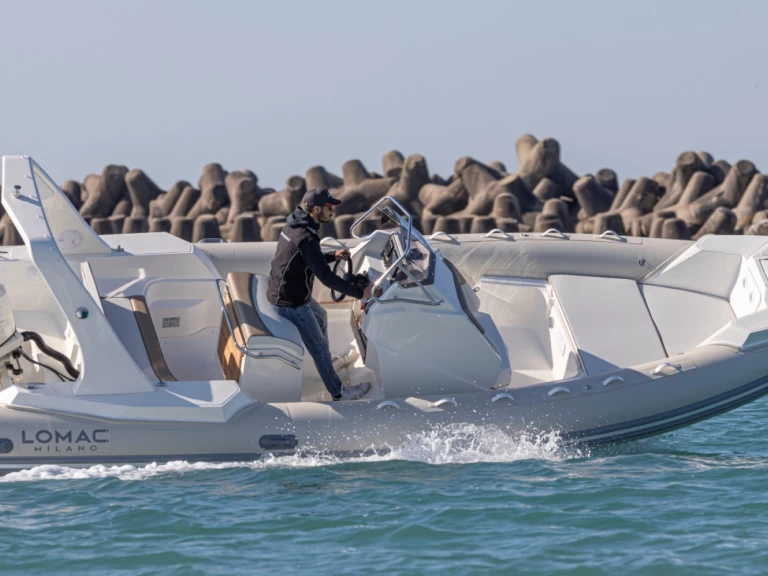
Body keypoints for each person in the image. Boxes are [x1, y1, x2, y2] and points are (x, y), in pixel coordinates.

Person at [266, 187, 379, 401]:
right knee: (317, 346)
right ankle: (338, 393)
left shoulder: (296, 223)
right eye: (329, 208)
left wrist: (332, 255)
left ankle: (329, 364)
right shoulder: (306, 236)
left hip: (288, 293)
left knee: (322, 316)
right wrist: (360, 293)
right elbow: (326, 278)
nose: (332, 212)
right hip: (290, 303)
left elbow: (308, 257)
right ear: (316, 209)